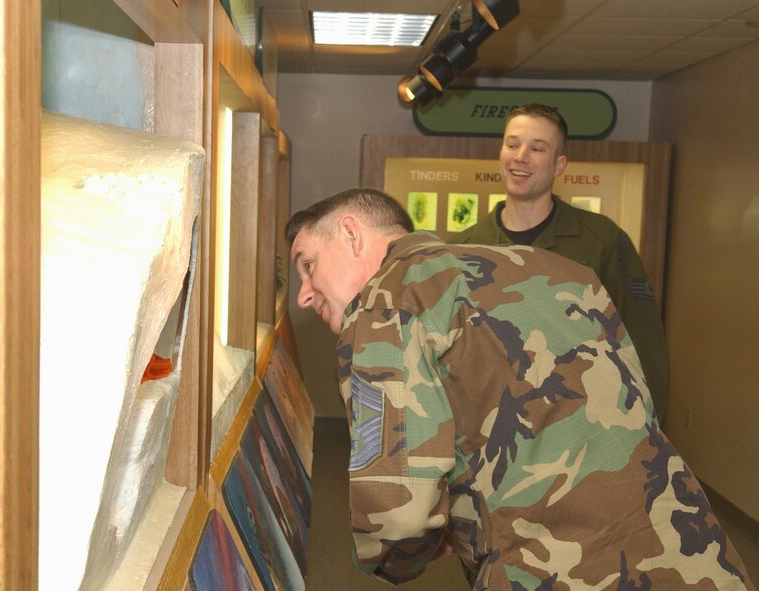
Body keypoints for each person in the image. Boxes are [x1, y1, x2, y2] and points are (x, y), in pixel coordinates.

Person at [285, 187, 754, 590]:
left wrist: (398, 556)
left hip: (555, 569)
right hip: (691, 548)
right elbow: (633, 405)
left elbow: (399, 517)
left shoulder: (383, 309)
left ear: (351, 233)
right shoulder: (557, 269)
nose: (303, 294)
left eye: (309, 265)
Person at [449, 103, 670, 424]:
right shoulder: (462, 249)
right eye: (512, 144)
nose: (520, 156)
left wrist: (647, 429)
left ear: (558, 165)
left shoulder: (600, 241)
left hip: (580, 428)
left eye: (537, 148)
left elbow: (643, 343)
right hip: (488, 432)